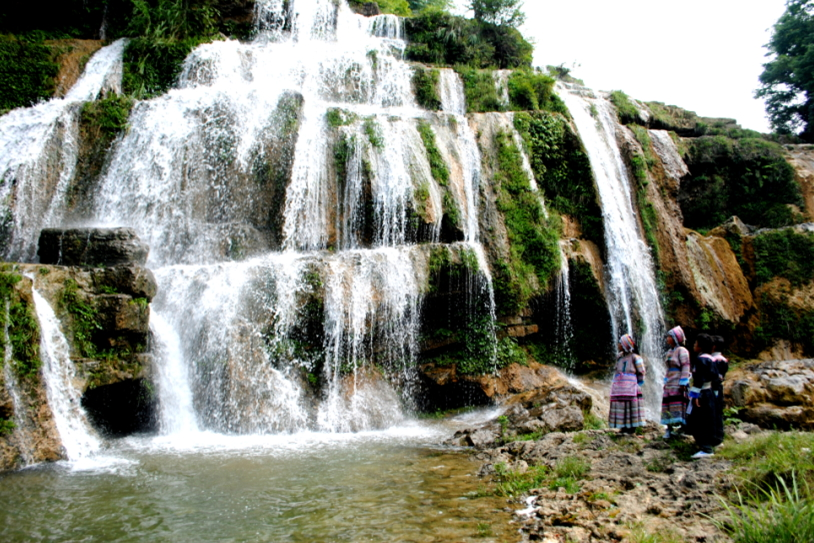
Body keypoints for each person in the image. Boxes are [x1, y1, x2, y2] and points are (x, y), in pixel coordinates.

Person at [687, 333, 724, 458]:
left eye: (695, 343)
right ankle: (710, 443)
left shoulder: (701, 360)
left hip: (701, 393)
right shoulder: (711, 359)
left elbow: (699, 380)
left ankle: (705, 448)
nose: (694, 345)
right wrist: (715, 394)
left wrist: (695, 395)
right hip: (709, 393)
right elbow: (716, 379)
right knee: (709, 418)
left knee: (699, 420)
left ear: (700, 346)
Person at [608, 333, 646, 433]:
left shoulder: (635, 357)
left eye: (620, 343)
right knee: (622, 406)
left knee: (630, 406)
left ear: (625, 345)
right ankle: (623, 426)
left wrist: (638, 383)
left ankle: (631, 428)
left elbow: (641, 371)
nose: (618, 345)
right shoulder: (619, 357)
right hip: (619, 387)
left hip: (631, 388)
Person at [661, 326, 690, 439]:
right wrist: (665, 380)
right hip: (670, 382)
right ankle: (669, 428)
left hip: (678, 381)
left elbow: (685, 366)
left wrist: (683, 382)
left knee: (679, 404)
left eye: (669, 336)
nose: (667, 338)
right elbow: (667, 368)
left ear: (675, 338)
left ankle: (682, 428)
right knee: (668, 404)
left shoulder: (682, 351)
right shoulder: (669, 351)